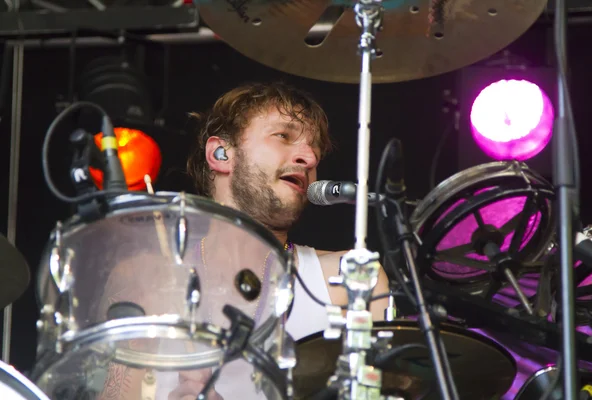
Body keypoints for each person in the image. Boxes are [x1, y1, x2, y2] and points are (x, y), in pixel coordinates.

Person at [98, 82, 390, 399]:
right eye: (284, 136)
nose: (309, 157)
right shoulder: (147, 280)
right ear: (221, 154)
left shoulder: (352, 280)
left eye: (315, 150)